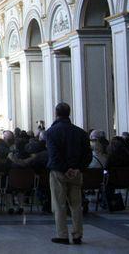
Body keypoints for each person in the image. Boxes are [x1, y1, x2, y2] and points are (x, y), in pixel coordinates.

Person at [46, 103, 92, 245]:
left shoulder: (51, 132)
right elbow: (88, 155)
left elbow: (54, 155)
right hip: (76, 172)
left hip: (59, 172)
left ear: (56, 113)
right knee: (76, 205)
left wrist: (66, 169)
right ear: (69, 113)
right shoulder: (80, 132)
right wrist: (77, 168)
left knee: (59, 205)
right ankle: (78, 235)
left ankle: (63, 235)